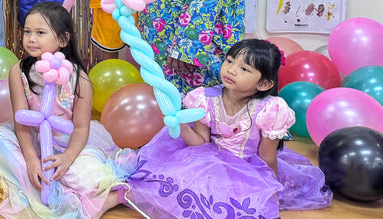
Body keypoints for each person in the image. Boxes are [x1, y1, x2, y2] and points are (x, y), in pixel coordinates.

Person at [124, 39, 332, 217]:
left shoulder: (270, 109)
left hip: (248, 169)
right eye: (229, 61)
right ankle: (121, 195)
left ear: (264, 84)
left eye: (244, 69)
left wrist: (271, 190)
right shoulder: (205, 99)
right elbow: (200, 143)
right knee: (171, 187)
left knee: (242, 207)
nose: (231, 70)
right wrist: (180, 125)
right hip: (206, 161)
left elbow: (267, 157)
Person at [0, 2, 134, 219]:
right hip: (33, 142)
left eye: (40, 32)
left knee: (86, 178)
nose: (31, 38)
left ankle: (79, 192)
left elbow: (81, 127)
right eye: (27, 31)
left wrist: (67, 158)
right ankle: (41, 183)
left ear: (63, 40)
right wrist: (31, 160)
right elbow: (21, 123)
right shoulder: (18, 71)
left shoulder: (78, 78)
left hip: (69, 145)